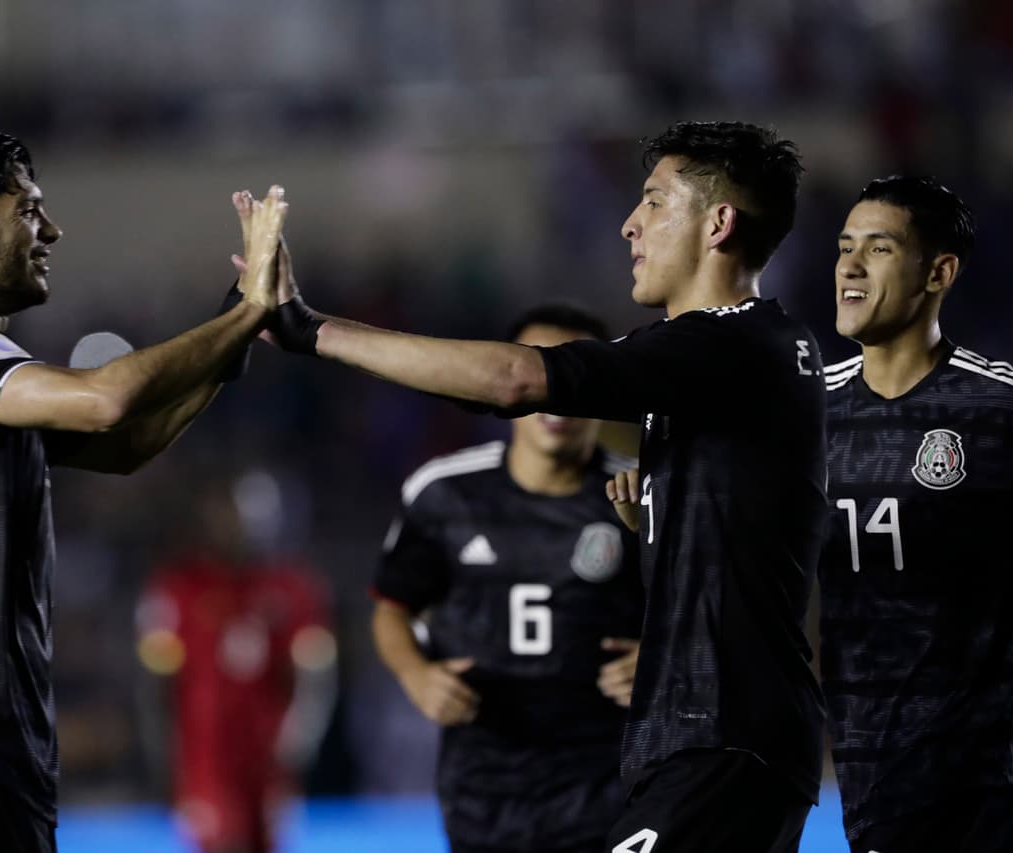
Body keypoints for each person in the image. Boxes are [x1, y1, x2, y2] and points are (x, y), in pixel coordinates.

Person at [269, 121, 828, 853]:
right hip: (700, 742)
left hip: (721, 740)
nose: (630, 223)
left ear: (718, 223)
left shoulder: (731, 344)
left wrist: (313, 330)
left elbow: (517, 378)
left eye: (655, 202)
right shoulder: (735, 357)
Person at [0, 129, 288, 853]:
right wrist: (244, 314)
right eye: (27, 210)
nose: (51, 230)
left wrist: (239, 323)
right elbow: (106, 398)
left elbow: (128, 445)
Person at [817, 175, 1013, 853]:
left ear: (939, 271)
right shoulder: (804, 411)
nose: (850, 265)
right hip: (858, 786)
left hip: (967, 790)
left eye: (878, 248)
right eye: (844, 246)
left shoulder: (1004, 408)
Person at [371, 303, 643, 853]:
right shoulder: (445, 491)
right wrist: (417, 678)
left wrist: (662, 661)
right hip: (484, 789)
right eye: (538, 370)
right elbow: (391, 608)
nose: (554, 396)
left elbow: (703, 612)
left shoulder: (646, 493)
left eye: (572, 375)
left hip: (611, 786)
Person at [137, 475, 336, 853]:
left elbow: (315, 670)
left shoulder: (293, 589)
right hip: (205, 754)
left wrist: (302, 736)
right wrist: (160, 753)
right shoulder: (179, 589)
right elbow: (155, 682)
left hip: (268, 756)